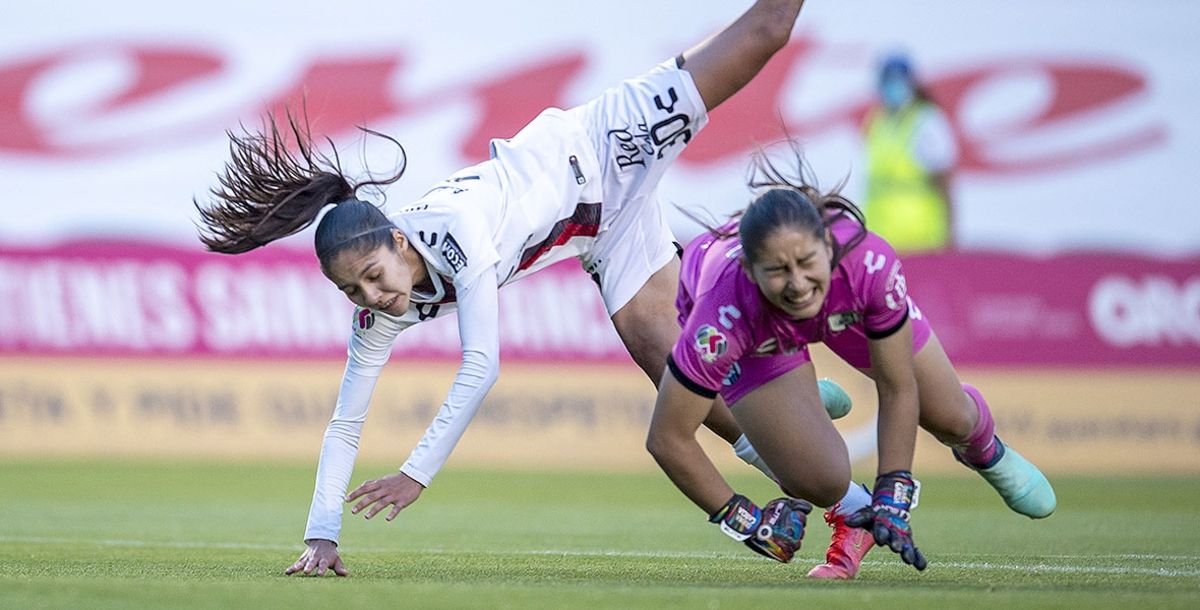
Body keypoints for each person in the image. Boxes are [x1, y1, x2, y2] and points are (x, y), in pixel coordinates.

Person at [195, 0, 835, 578]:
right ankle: (796, 450)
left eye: (373, 275)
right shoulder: (381, 309)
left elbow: (482, 365)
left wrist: (415, 474)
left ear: (396, 240)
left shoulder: (455, 231)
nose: (370, 296)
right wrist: (323, 533)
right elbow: (346, 421)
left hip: (609, 144)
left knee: (765, 32)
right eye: (352, 291)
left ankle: (799, 399)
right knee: (668, 366)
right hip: (602, 232)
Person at [648, 145, 1056, 576]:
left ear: (827, 245)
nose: (798, 284)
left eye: (807, 262)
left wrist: (893, 493)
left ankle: (985, 450)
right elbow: (668, 437)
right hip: (757, 335)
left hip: (836, 308)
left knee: (952, 417)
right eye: (778, 271)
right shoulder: (720, 319)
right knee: (820, 481)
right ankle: (795, 408)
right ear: (750, 272)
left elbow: (898, 387)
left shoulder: (869, 264)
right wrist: (744, 519)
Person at [861, 52, 958, 252]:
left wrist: (950, 238)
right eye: (887, 80)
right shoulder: (878, 122)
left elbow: (945, 183)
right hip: (882, 239)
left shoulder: (927, 121)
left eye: (897, 80)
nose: (892, 87)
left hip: (920, 239)